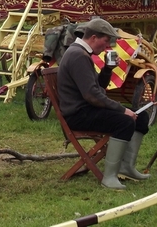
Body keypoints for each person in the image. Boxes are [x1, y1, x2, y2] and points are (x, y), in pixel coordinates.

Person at [57, 18, 150, 190]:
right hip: (78, 115)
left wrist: (107, 69)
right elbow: (92, 95)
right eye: (106, 41)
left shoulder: (81, 53)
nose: (107, 47)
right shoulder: (78, 56)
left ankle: (126, 167)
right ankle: (109, 177)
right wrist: (122, 109)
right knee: (125, 121)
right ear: (93, 37)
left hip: (86, 109)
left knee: (141, 117)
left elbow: (97, 89)